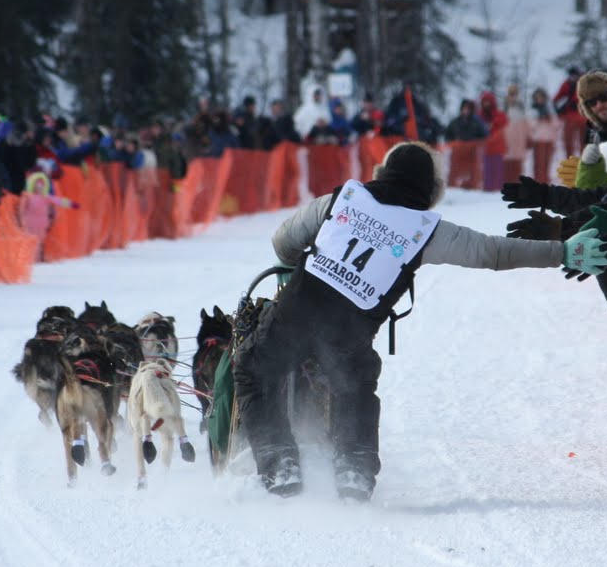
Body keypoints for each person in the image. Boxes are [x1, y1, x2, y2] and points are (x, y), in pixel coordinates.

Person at [234, 142, 574, 501]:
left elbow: (283, 243)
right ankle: (355, 472)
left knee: (254, 370)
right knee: (354, 387)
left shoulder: (343, 200)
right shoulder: (426, 231)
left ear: (381, 174)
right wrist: (563, 251)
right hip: (350, 333)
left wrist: (302, 256)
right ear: (431, 191)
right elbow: (492, 252)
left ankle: (279, 464)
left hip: (297, 312)